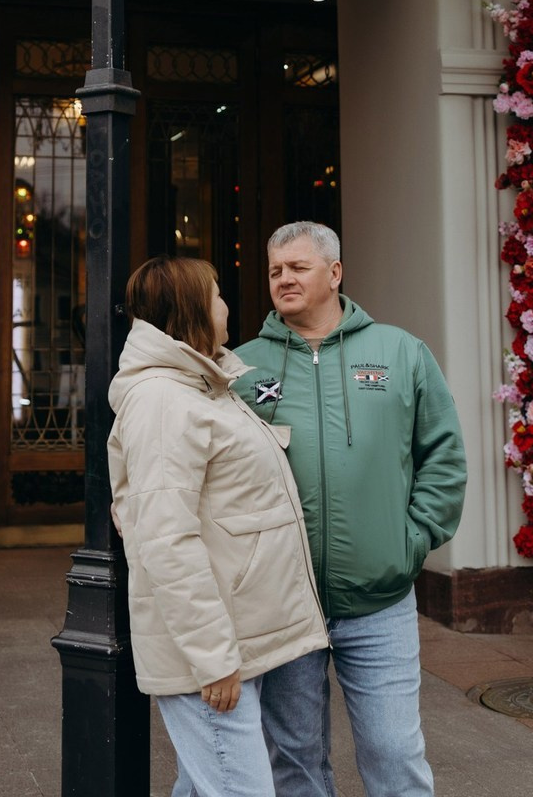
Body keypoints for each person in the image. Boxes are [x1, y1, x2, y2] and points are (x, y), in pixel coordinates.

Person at [234, 221, 467, 797]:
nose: (284, 279)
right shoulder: (241, 367)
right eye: (275, 270)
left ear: (335, 272)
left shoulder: (400, 352)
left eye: (298, 267)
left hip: (379, 601)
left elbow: (442, 455)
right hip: (284, 604)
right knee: (295, 762)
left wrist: (411, 540)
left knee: (394, 753)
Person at [107, 256, 330, 797]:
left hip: (237, 635)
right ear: (191, 309)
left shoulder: (201, 384)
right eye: (217, 295)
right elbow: (166, 541)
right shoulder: (163, 400)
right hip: (211, 655)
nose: (227, 306)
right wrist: (213, 661)